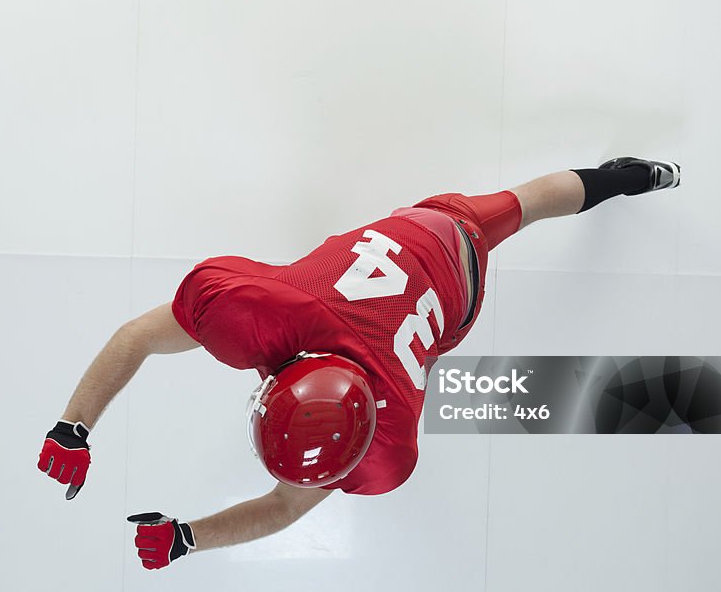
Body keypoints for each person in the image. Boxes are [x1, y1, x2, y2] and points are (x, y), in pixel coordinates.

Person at [37, 157, 681, 570]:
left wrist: (181, 530)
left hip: (456, 284)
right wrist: (74, 427)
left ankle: (625, 176)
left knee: (526, 203)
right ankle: (624, 175)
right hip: (436, 228)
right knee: (530, 201)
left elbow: (137, 339)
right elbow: (136, 341)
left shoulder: (369, 417)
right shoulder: (283, 331)